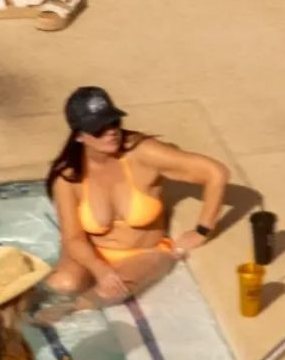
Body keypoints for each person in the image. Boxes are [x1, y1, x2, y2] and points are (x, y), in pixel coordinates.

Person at [44, 86, 230, 306]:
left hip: (144, 253)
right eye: (99, 129)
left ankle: (49, 318)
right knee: (62, 284)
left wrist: (203, 230)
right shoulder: (69, 176)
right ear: (79, 136)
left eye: (114, 122)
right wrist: (99, 268)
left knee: (103, 296)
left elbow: (216, 173)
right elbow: (73, 238)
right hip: (91, 252)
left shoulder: (142, 154)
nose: (111, 132)